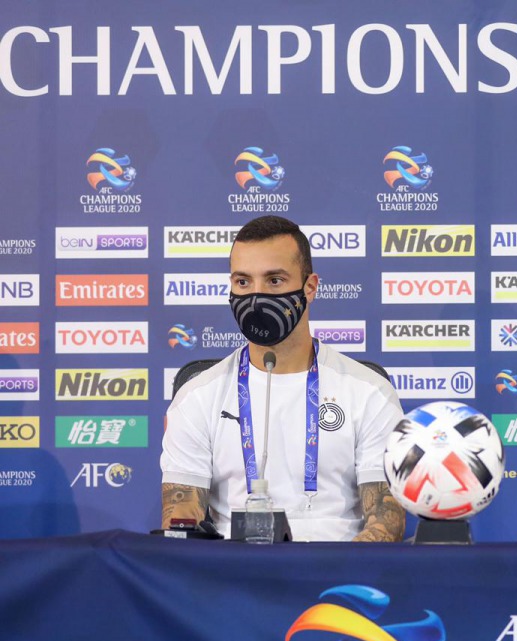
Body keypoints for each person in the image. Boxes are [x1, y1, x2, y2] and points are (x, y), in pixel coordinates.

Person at [161, 215, 407, 542]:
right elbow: (180, 522)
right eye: (243, 282)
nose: (257, 296)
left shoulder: (369, 391)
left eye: (274, 281)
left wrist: (335, 569)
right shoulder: (198, 396)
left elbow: (385, 520)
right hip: (234, 575)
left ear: (310, 287)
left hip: (335, 574)